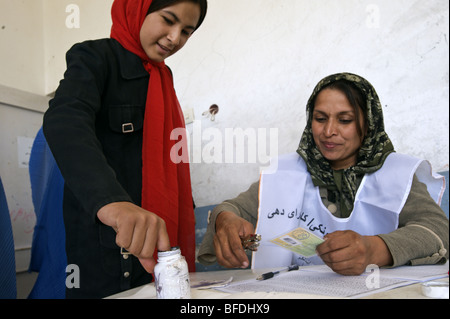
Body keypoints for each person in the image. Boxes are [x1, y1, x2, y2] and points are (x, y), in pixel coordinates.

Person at [198, 72, 449, 276]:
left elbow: (438, 230)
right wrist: (225, 220)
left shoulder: (395, 174)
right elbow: (233, 208)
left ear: (367, 123)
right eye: (320, 118)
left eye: (345, 120)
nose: (329, 131)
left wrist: (373, 249)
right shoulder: (286, 174)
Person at [43, 0, 208, 298]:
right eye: (168, 20)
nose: (174, 37)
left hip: (159, 241)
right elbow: (65, 120)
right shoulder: (95, 58)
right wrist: (114, 204)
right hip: (105, 247)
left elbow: (171, 165)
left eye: (186, 31)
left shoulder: (162, 79)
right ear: (137, 9)